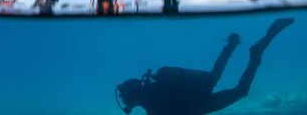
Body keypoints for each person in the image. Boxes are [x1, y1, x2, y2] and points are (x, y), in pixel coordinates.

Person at [115, 18, 294, 115]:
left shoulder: (153, 109)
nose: (125, 103)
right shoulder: (156, 85)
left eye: (125, 100)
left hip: (200, 103)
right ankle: (235, 46)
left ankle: (255, 52)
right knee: (216, 74)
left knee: (241, 90)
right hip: (199, 90)